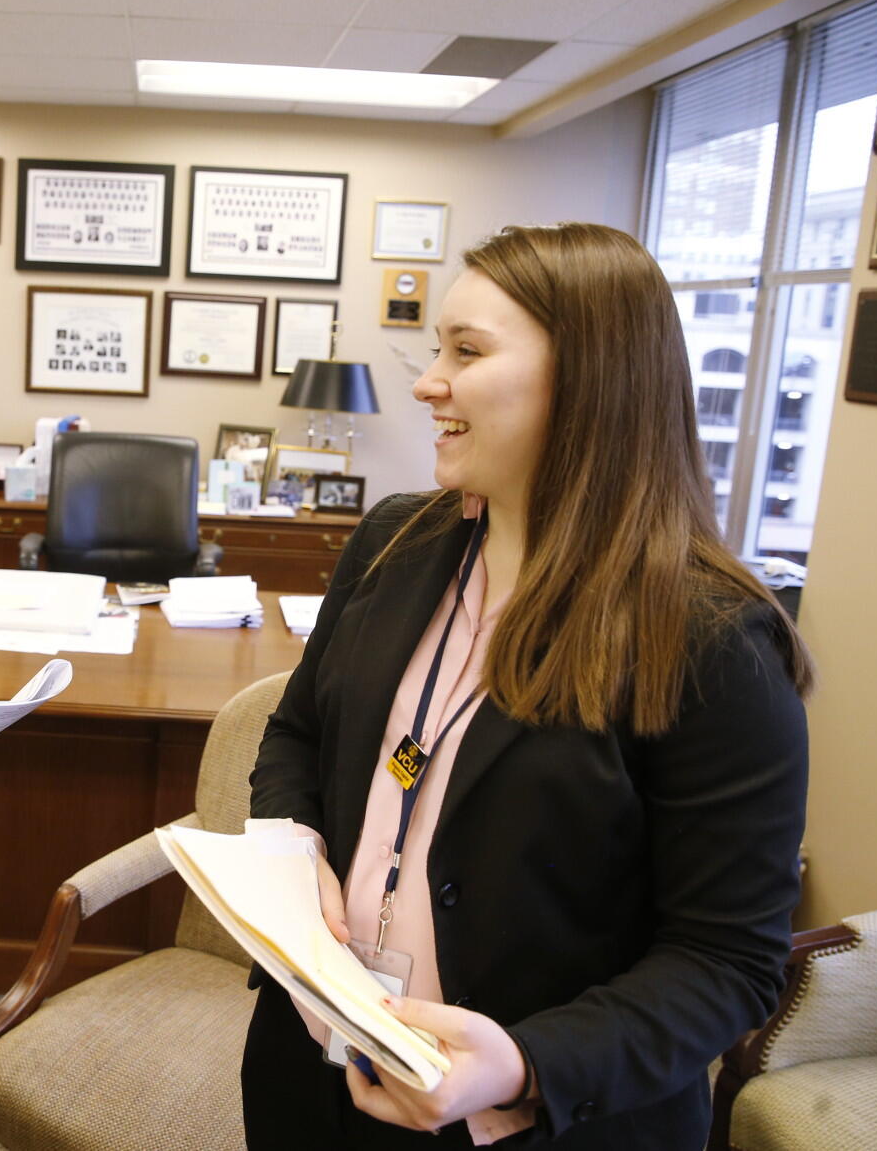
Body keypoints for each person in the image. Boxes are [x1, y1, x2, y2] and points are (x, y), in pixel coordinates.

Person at [242, 222, 810, 1148]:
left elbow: (726, 961)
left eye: (466, 352)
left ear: (590, 381)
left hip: (539, 1117)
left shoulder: (713, 644)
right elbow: (297, 731)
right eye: (436, 350)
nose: (429, 384)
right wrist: (294, 841)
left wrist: (523, 1063)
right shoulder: (396, 541)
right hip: (318, 1071)